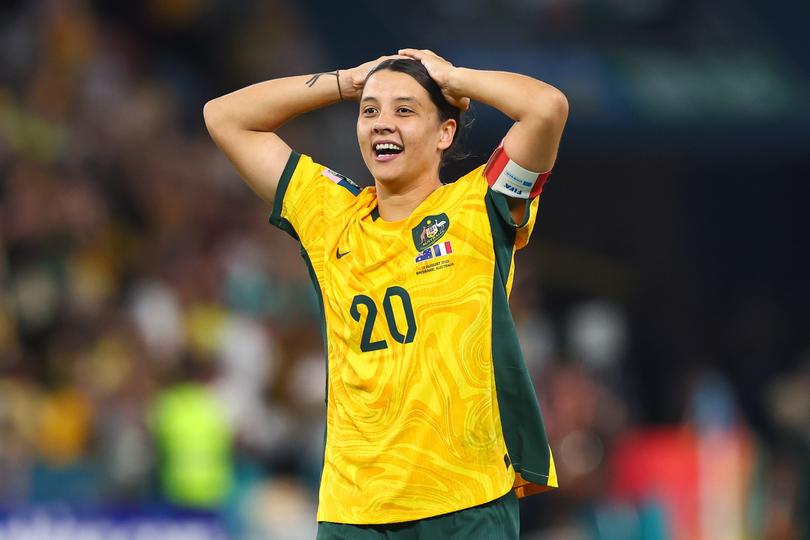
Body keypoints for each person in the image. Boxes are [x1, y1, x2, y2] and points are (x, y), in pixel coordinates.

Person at [204, 48, 568, 539]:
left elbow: (547, 108)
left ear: (445, 133)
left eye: (405, 110)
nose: (381, 123)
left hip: (467, 503)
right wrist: (346, 82)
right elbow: (224, 117)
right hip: (355, 509)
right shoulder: (330, 215)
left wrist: (453, 76)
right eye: (370, 111)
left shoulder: (482, 205)